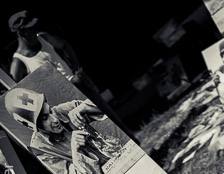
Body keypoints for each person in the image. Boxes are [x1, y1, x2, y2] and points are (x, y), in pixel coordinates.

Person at [7, 10, 135, 139]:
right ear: (21, 33)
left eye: (34, 26)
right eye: (30, 28)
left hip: (79, 82)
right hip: (65, 99)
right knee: (92, 127)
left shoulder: (43, 37)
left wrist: (77, 68)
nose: (35, 30)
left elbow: (64, 45)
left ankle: (132, 140)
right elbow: (17, 89)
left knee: (106, 112)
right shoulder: (19, 62)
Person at [5, 87, 124, 174]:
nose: (54, 119)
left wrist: (86, 107)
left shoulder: (63, 111)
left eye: (50, 111)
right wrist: (76, 150)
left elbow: (108, 109)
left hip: (119, 165)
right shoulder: (40, 149)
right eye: (45, 118)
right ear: (34, 127)